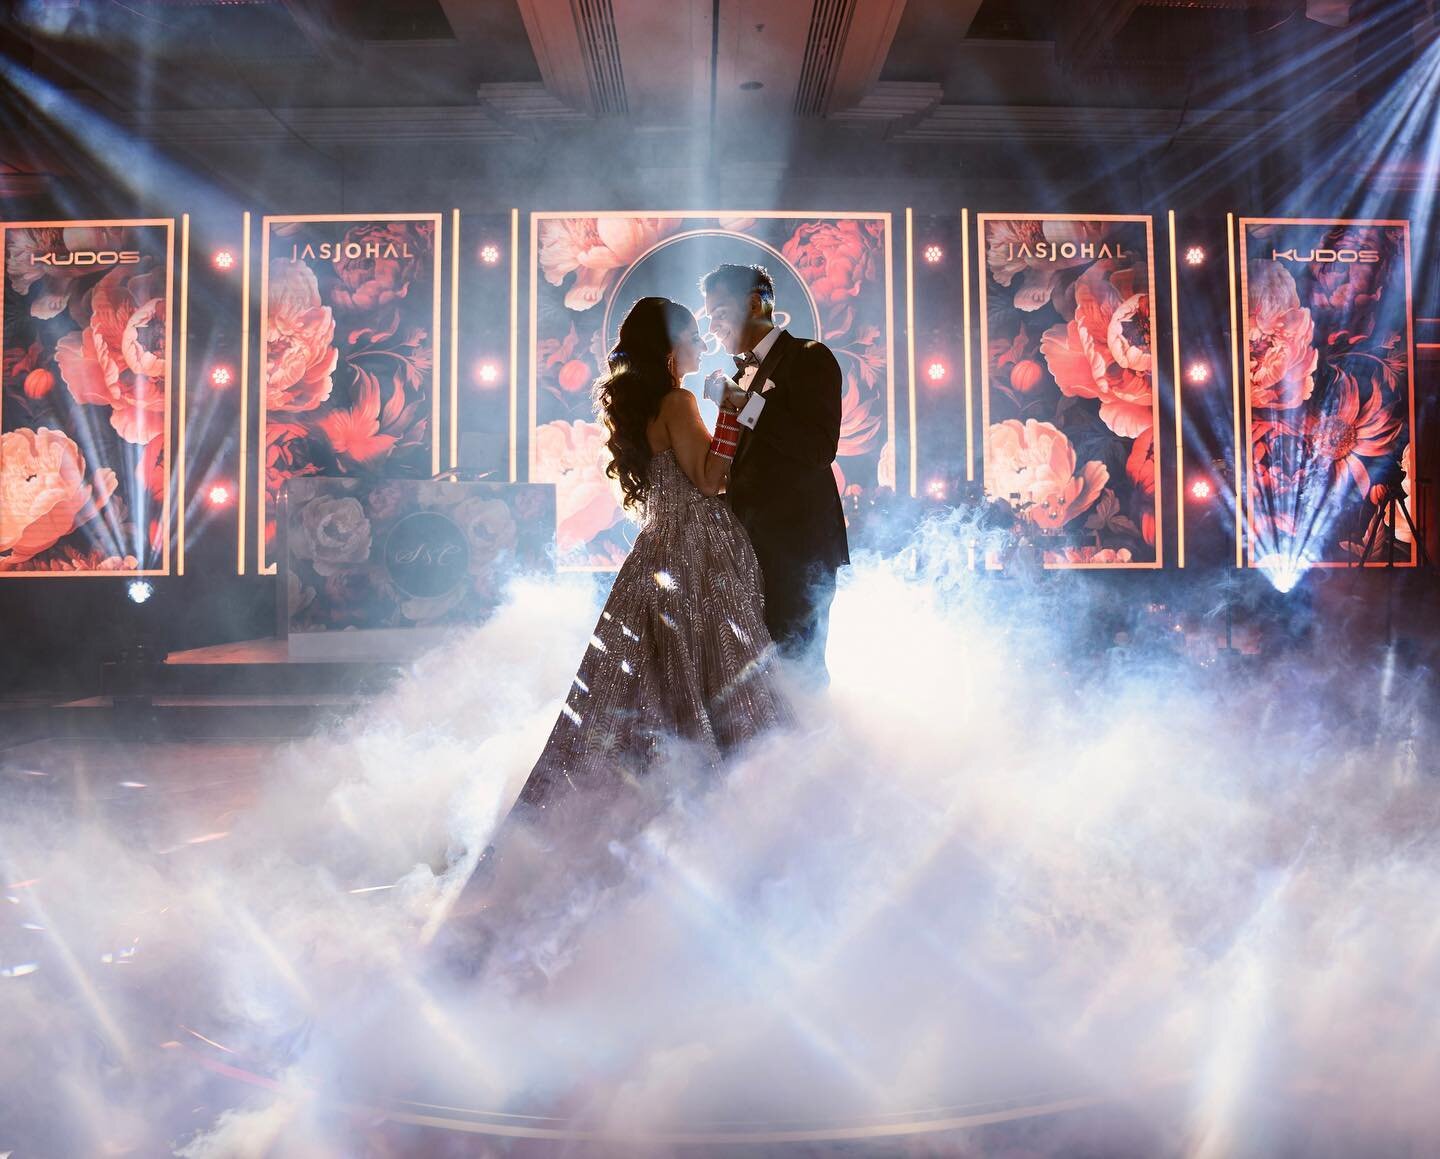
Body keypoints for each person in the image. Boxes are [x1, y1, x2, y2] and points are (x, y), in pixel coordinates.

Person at [513, 295, 791, 823]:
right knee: (722, 672)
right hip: (697, 551)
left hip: (657, 552)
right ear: (669, 347)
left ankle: (646, 810)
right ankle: (733, 809)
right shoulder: (678, 403)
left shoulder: (642, 407)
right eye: (694, 337)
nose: (703, 345)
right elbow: (709, 479)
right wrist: (730, 412)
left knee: (652, 683)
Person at [700, 264, 849, 678]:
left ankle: (815, 744)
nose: (712, 326)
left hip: (800, 549)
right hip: (751, 550)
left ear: (753, 304)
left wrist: (743, 403)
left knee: (799, 669)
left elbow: (819, 449)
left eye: (719, 312)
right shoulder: (738, 375)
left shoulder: (809, 357)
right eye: (708, 316)